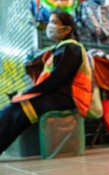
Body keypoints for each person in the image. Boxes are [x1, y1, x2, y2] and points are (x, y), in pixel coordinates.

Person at [0, 10, 92, 155]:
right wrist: (26, 94)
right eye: (49, 22)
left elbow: (57, 80)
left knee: (17, 111)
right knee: (13, 109)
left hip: (71, 98)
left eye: (55, 22)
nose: (50, 26)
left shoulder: (71, 48)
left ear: (67, 29)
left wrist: (26, 94)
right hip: (59, 95)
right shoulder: (60, 48)